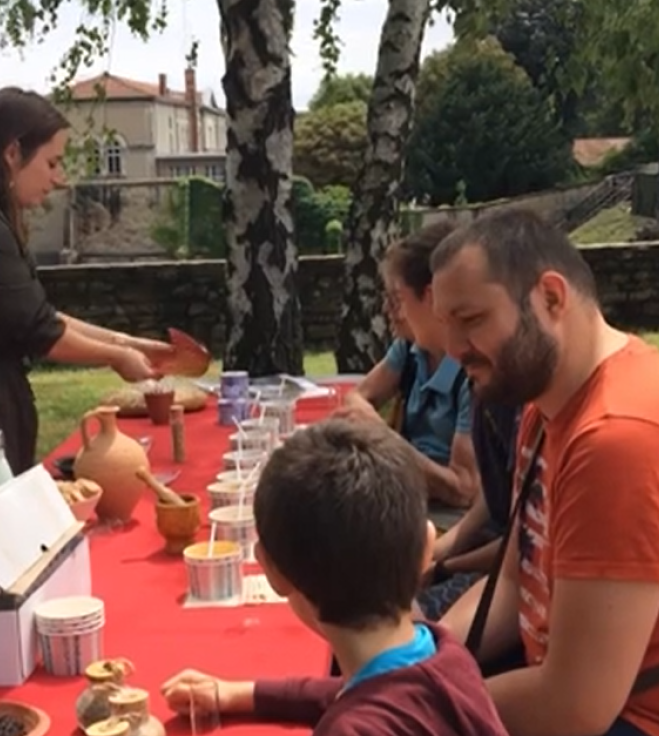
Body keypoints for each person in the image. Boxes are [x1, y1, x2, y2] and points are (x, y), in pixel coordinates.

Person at [429, 207, 659, 736]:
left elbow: (573, 706)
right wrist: (420, 669)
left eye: (471, 320)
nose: (453, 349)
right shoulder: (547, 408)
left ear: (550, 298)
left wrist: (414, 705)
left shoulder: (622, 438)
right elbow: (513, 582)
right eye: (447, 326)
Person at [0, 86, 174, 543]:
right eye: (52, 162)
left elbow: (39, 313)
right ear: (12, 152)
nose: (59, 179)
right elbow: (41, 330)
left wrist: (128, 343)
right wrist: (115, 357)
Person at [161, 420, 508, 736]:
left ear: (272, 571)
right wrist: (243, 694)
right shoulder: (448, 656)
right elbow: (358, 689)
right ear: (427, 549)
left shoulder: (349, 728)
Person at [334, 223, 478, 523]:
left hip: (445, 520)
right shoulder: (411, 350)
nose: (389, 311)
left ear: (431, 297)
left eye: (397, 299)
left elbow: (464, 490)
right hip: (408, 498)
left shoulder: (474, 373)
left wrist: (384, 439)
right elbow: (357, 397)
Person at [415, 396, 520, 620]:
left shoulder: (517, 410)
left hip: (503, 571)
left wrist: (444, 568)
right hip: (484, 550)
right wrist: (437, 552)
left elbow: (518, 547)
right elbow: (490, 496)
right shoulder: (484, 396)